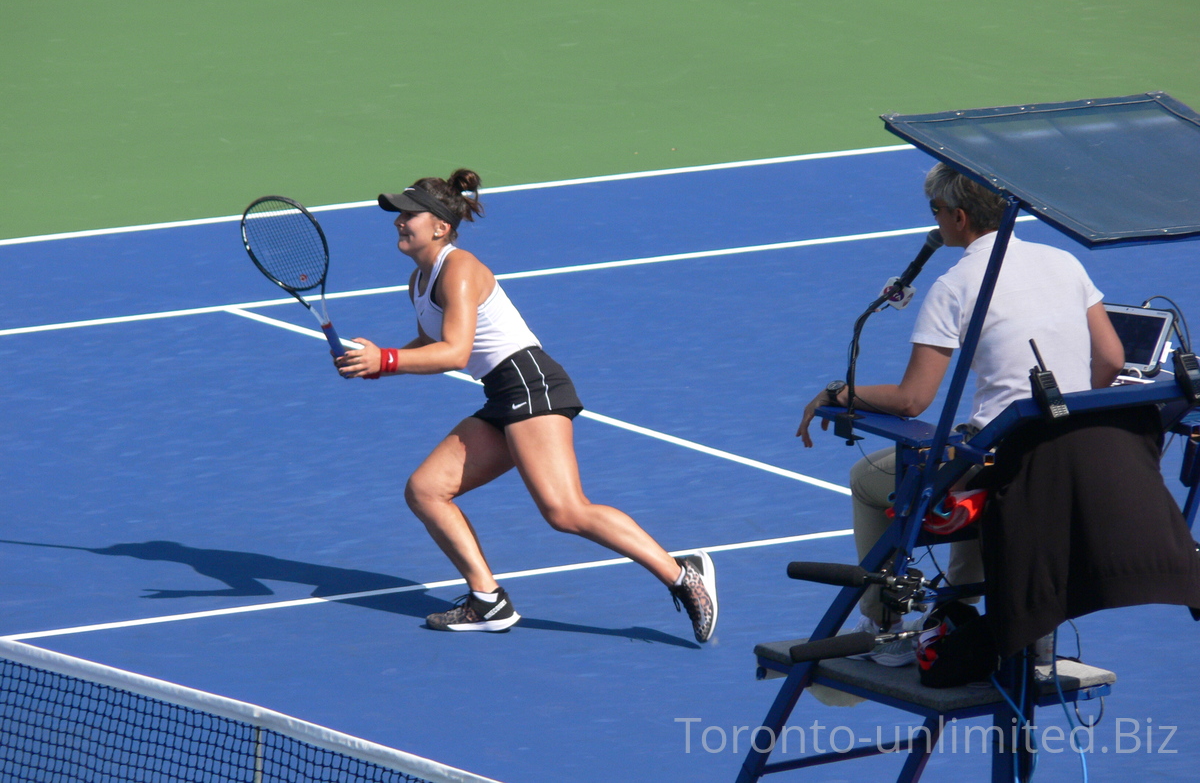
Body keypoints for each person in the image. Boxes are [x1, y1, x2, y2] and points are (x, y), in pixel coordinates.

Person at [334, 169, 718, 642]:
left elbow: (454, 352)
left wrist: (388, 360)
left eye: (408, 214)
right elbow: (433, 341)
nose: (398, 221)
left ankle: (683, 575)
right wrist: (377, 361)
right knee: (426, 490)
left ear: (439, 226)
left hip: (531, 385)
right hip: (501, 393)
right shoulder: (419, 280)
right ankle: (487, 600)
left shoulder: (461, 268)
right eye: (397, 214)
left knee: (565, 511)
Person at [796, 163, 1125, 664]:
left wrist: (842, 393)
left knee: (873, 477)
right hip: (1068, 458)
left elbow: (912, 400)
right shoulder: (1065, 262)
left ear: (960, 216)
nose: (935, 219)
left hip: (996, 460)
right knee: (972, 466)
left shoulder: (956, 284)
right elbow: (1112, 361)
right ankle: (953, 618)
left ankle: (885, 624)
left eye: (936, 210)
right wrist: (1065, 418)